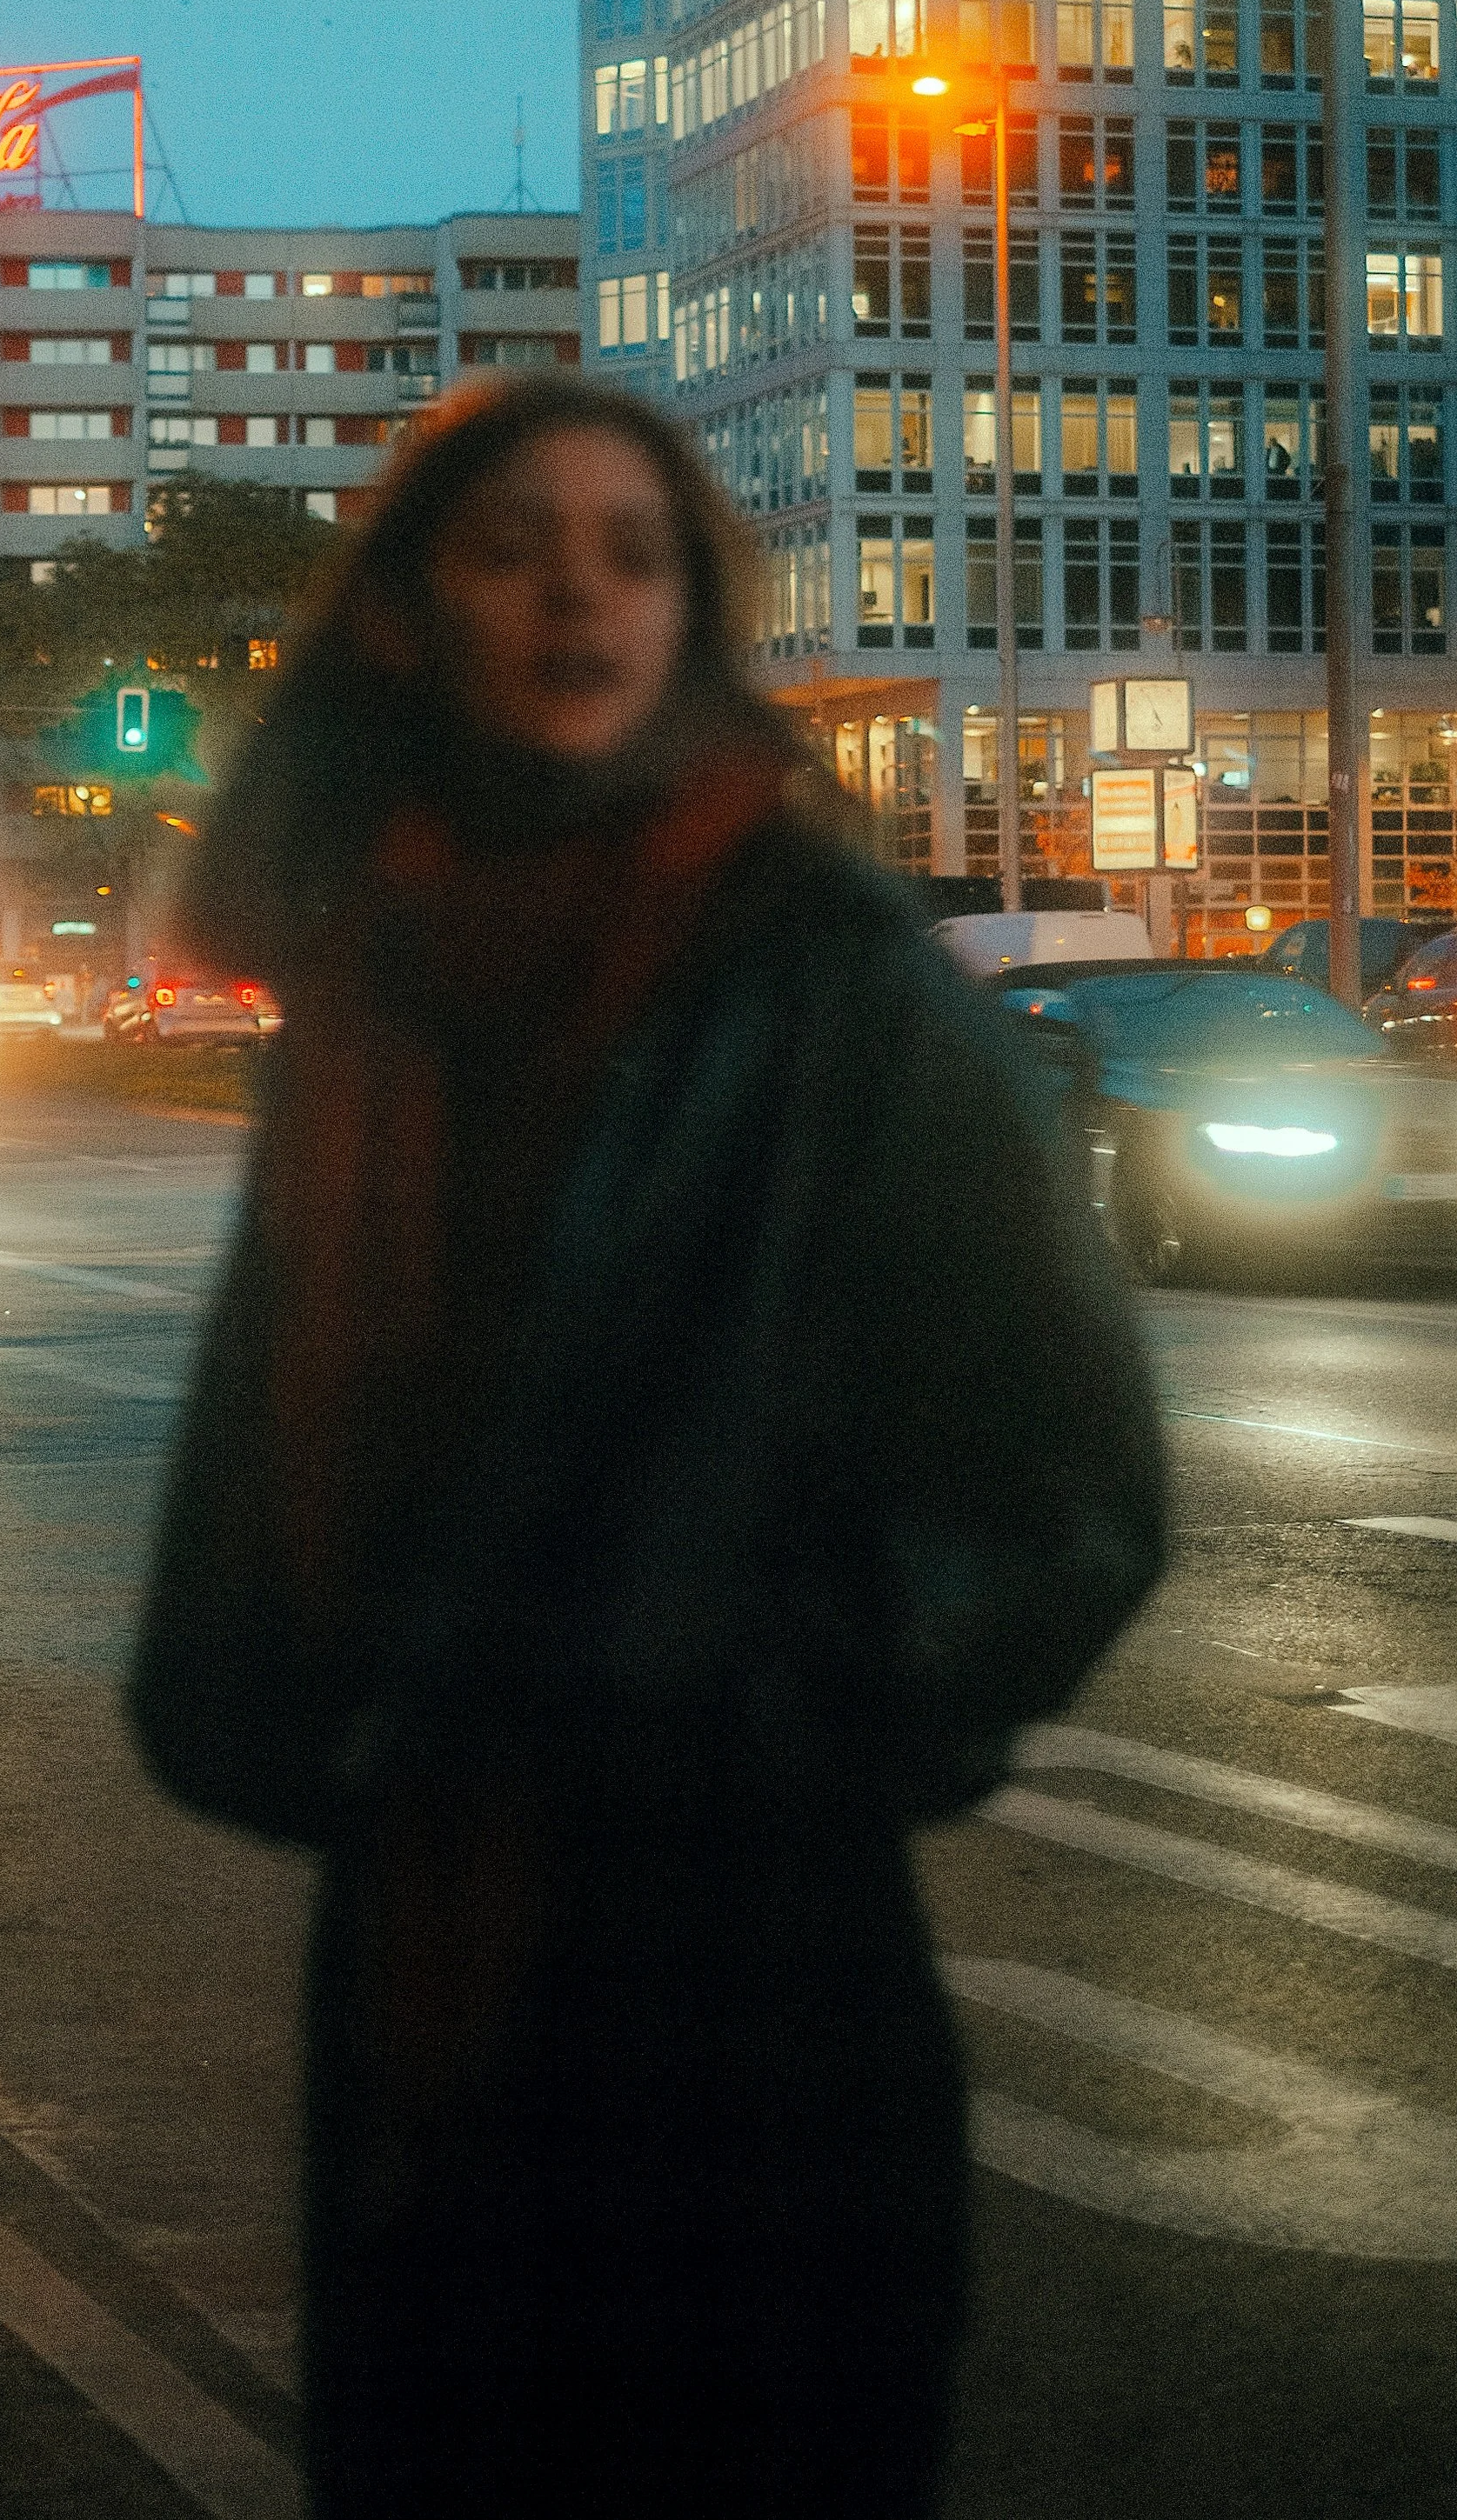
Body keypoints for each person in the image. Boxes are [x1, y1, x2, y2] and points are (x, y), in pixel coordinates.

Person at [126, 379, 1166, 2518]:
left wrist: (763, 1728)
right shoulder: (376, 975)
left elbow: (1070, 1485)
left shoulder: (832, 976)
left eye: (632, 548)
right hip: (437, 1955)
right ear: (408, 612)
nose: (578, 591)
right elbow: (273, 1424)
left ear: (689, 613)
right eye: (517, 544)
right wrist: (266, 1697)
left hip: (757, 1992)